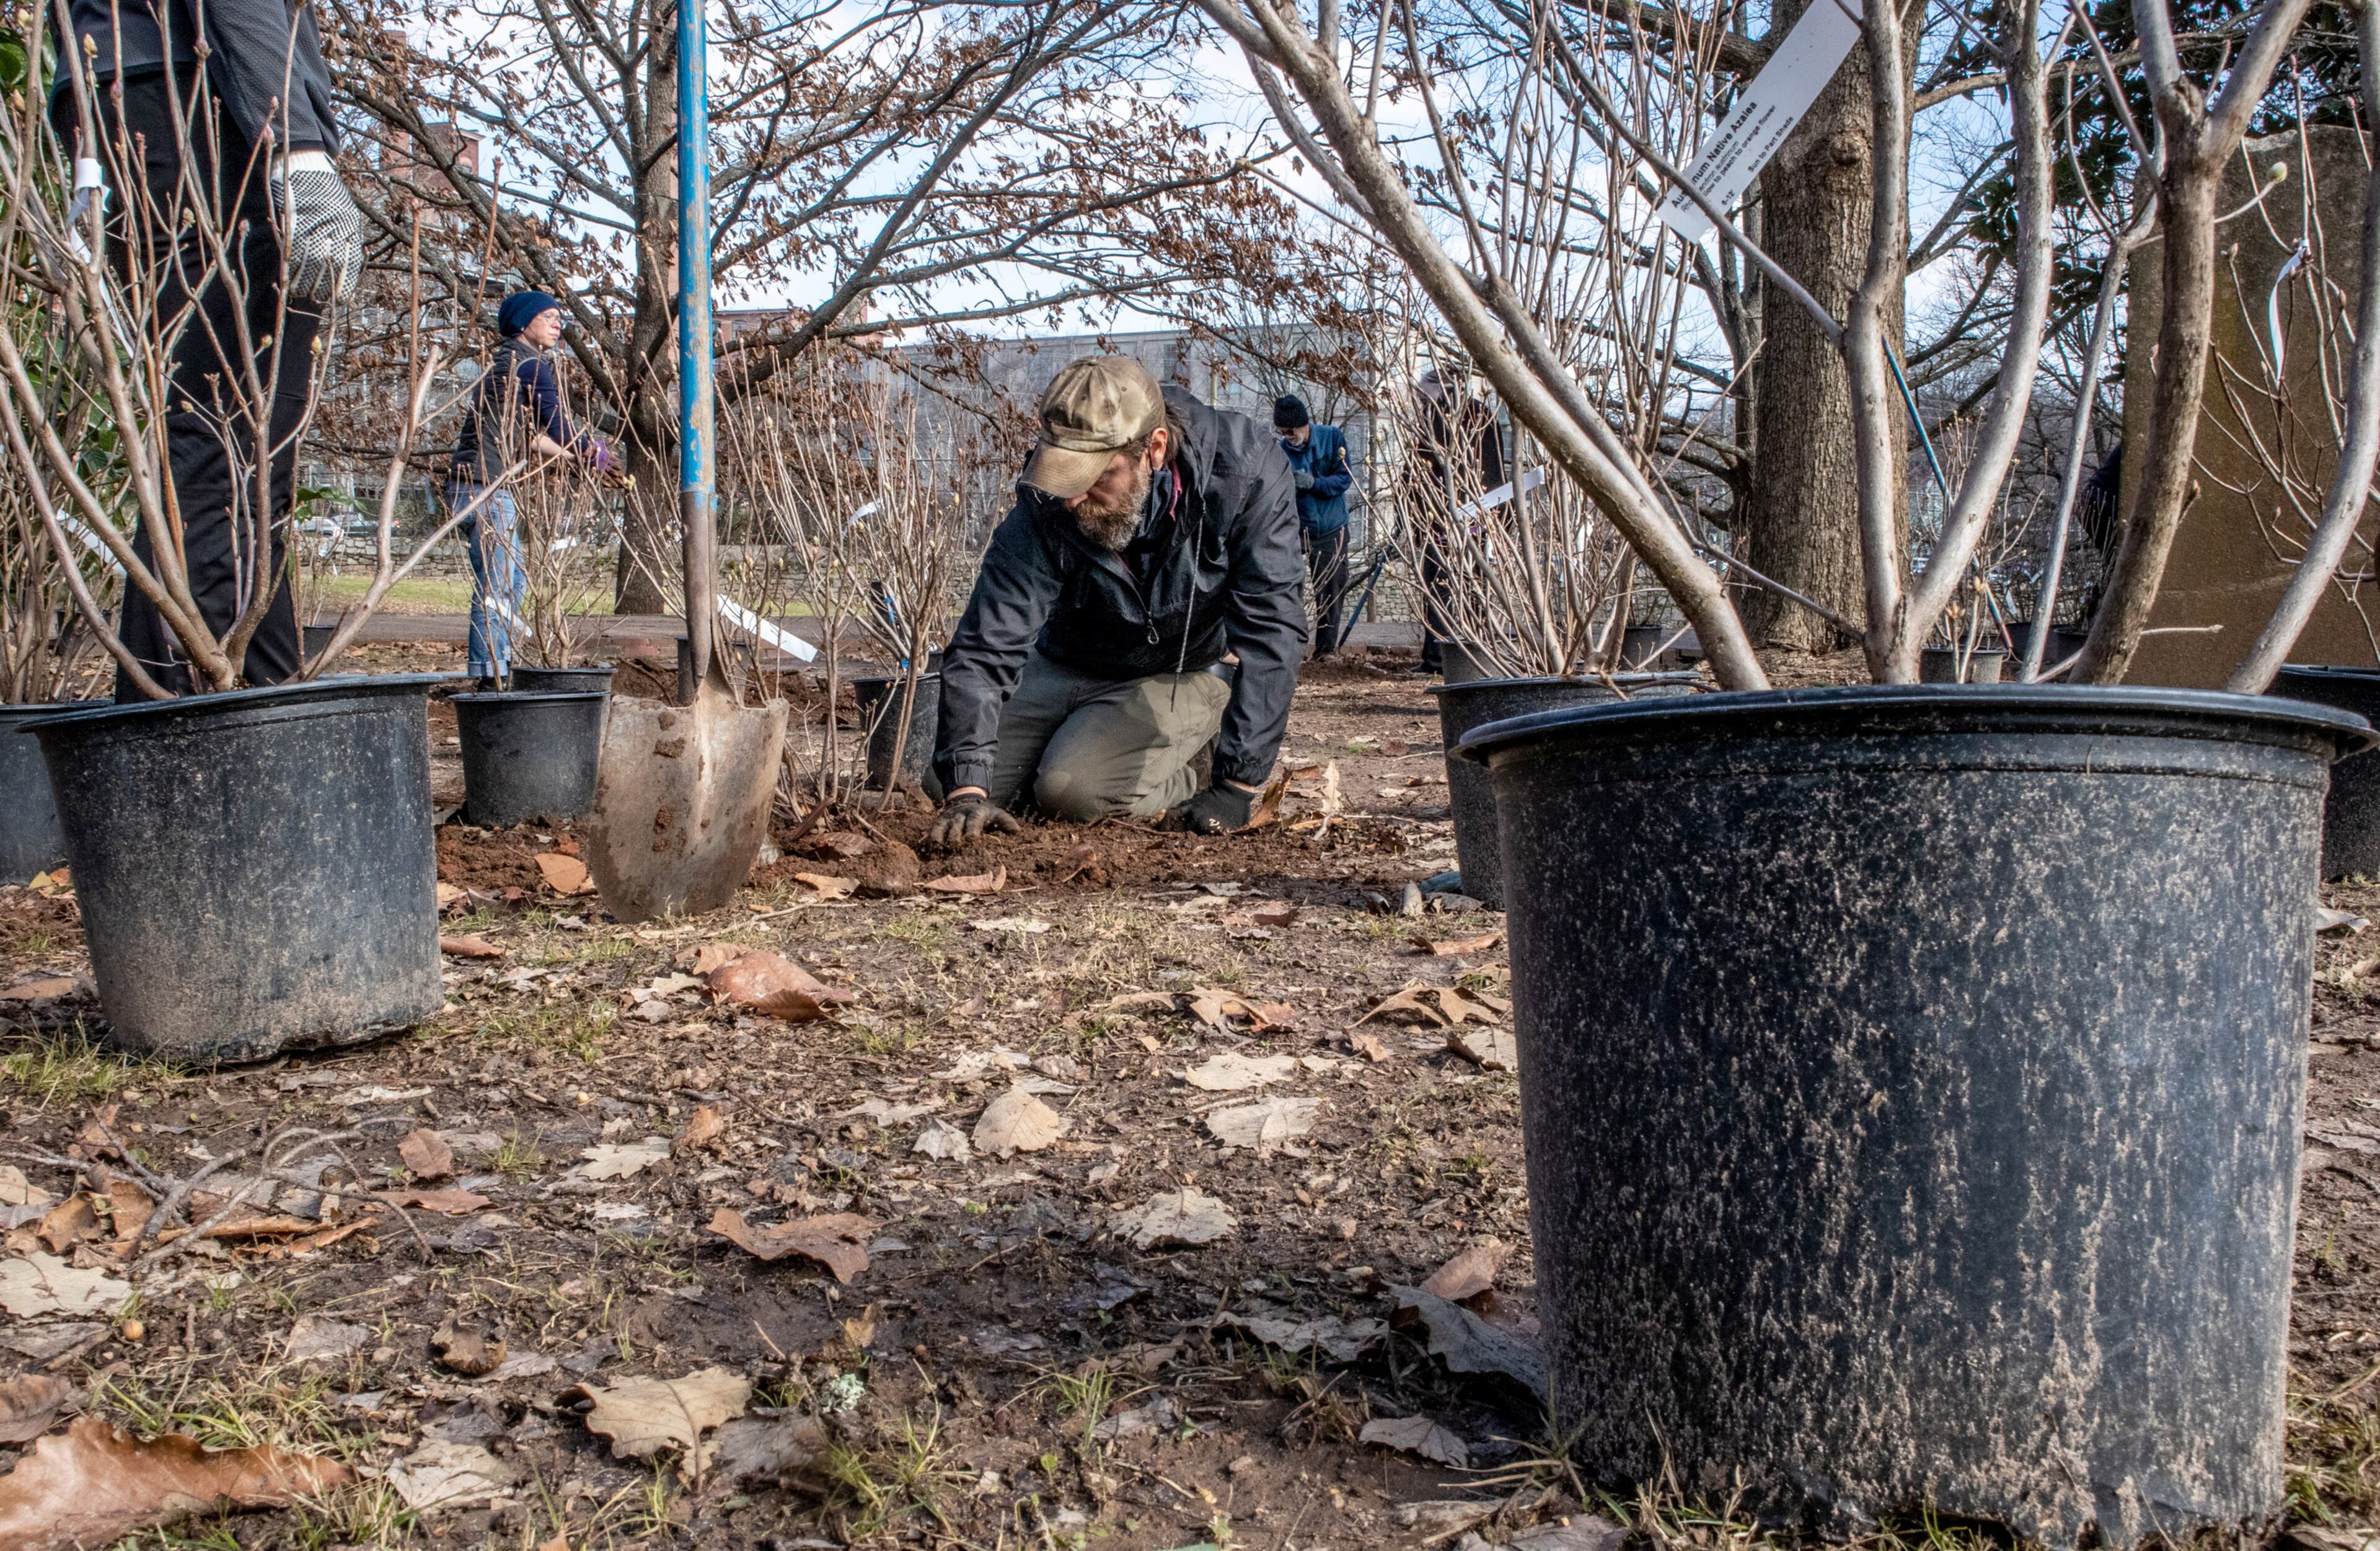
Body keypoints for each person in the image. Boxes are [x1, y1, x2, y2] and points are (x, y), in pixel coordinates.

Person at [52, 0, 364, 699]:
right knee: (227, 452)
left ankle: (264, 715)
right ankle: (178, 748)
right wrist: (296, 144)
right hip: (201, 97)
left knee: (235, 459)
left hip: (139, 93)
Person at [927, 356, 1306, 844]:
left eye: (1095, 475)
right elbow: (986, 645)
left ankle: (1191, 763)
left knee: (1072, 793)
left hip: (1181, 668)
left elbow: (1273, 627)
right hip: (1068, 660)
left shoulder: (1244, 472)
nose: (1071, 497)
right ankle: (1063, 755)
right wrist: (967, 793)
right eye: (1063, 473)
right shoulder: (1049, 499)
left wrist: (1237, 784)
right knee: (949, 776)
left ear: (1155, 448)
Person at [446, 291, 616, 685]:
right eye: (551, 317)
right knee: (500, 585)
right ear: (525, 324)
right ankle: (491, 677)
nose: (559, 325)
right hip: (483, 487)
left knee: (512, 581)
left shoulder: (506, 368)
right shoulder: (531, 367)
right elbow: (557, 425)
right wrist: (593, 451)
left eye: (562, 320)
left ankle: (498, 667)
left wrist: (575, 458)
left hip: (476, 486)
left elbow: (527, 437)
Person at [1408, 367, 1507, 675]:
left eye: (1425, 395)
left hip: (1457, 518)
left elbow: (1425, 472)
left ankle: (1449, 657)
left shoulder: (1457, 419)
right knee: (1451, 587)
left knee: (1449, 588)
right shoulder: (1463, 418)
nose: (1420, 401)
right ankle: (1449, 655)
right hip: (1455, 518)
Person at [1274, 395, 1356, 658]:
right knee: (1285, 587)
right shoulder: (1279, 452)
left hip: (1332, 528)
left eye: (1291, 431)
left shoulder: (1333, 439)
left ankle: (1326, 650)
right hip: (1296, 530)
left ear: (1304, 423)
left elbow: (1345, 479)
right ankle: (1290, 648)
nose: (1287, 436)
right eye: (1282, 432)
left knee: (1330, 589)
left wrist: (1315, 484)